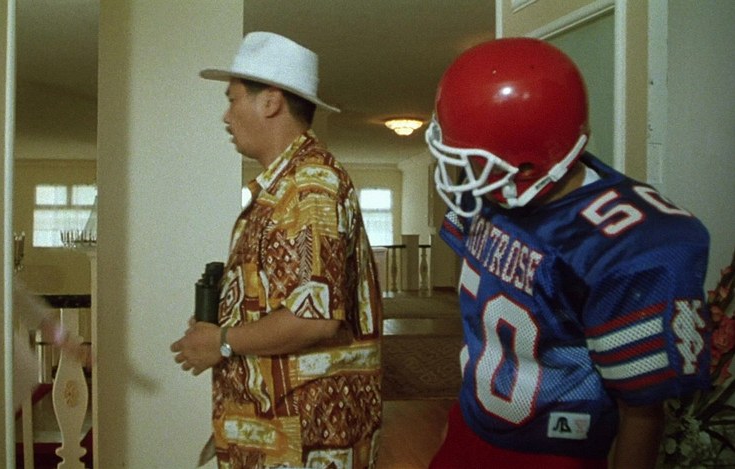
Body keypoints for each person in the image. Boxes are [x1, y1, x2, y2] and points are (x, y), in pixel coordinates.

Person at [424, 38, 711, 469]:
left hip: (555, 452)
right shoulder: (488, 190)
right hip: (473, 422)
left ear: (525, 166)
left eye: (474, 160)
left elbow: (642, 411)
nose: (463, 174)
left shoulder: (630, 244)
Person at [170, 31, 382, 468]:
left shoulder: (308, 188)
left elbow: (314, 318)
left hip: (303, 439)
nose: (226, 116)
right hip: (279, 430)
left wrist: (222, 342)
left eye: (232, 100)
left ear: (270, 102)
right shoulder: (286, 186)